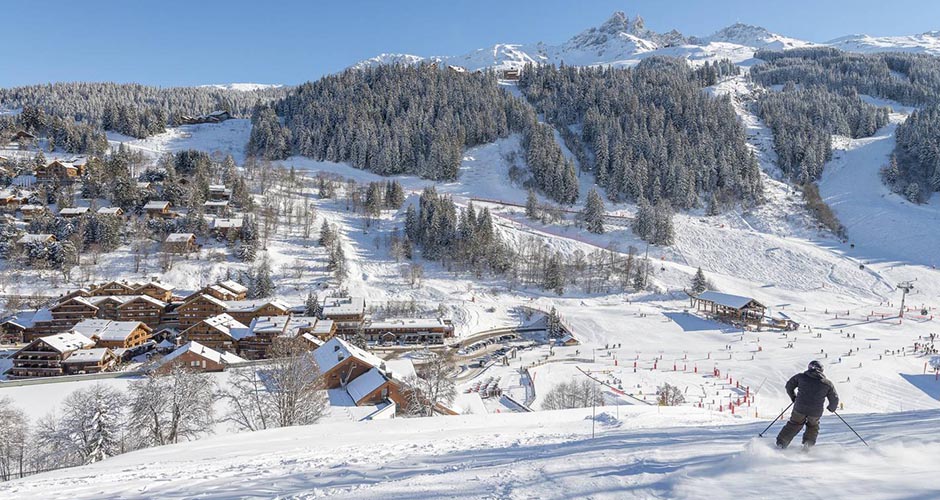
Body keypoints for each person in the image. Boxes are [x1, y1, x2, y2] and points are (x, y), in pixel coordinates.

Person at [776, 360, 839, 450]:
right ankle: (808, 445)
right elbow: (834, 398)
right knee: (813, 426)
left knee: (794, 424)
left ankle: (781, 443)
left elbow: (789, 386)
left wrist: (793, 397)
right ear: (821, 370)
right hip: (815, 411)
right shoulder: (827, 383)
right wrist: (832, 407)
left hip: (800, 408)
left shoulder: (800, 377)